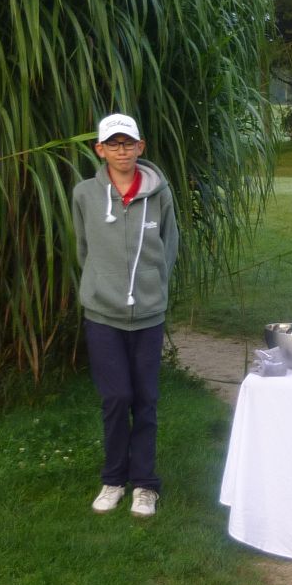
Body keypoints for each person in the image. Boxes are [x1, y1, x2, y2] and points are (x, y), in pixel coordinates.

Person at [72, 113, 179, 517]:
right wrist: (101, 285)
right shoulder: (85, 194)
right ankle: (114, 479)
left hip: (148, 314)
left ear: (140, 146)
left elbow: (169, 245)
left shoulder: (159, 194)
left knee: (146, 399)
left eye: (128, 143)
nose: (121, 150)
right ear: (100, 149)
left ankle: (145, 485)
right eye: (113, 144)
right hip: (103, 314)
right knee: (116, 398)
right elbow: (84, 248)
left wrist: (153, 287)